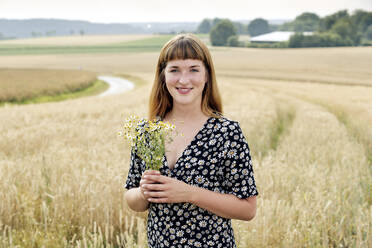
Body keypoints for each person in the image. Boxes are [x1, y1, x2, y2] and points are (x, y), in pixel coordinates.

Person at [124, 33, 258, 248]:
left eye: (193, 70)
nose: (183, 80)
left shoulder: (226, 133)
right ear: (163, 76)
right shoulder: (147, 131)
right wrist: (143, 192)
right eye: (174, 70)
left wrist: (190, 193)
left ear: (207, 76)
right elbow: (132, 199)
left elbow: (248, 209)